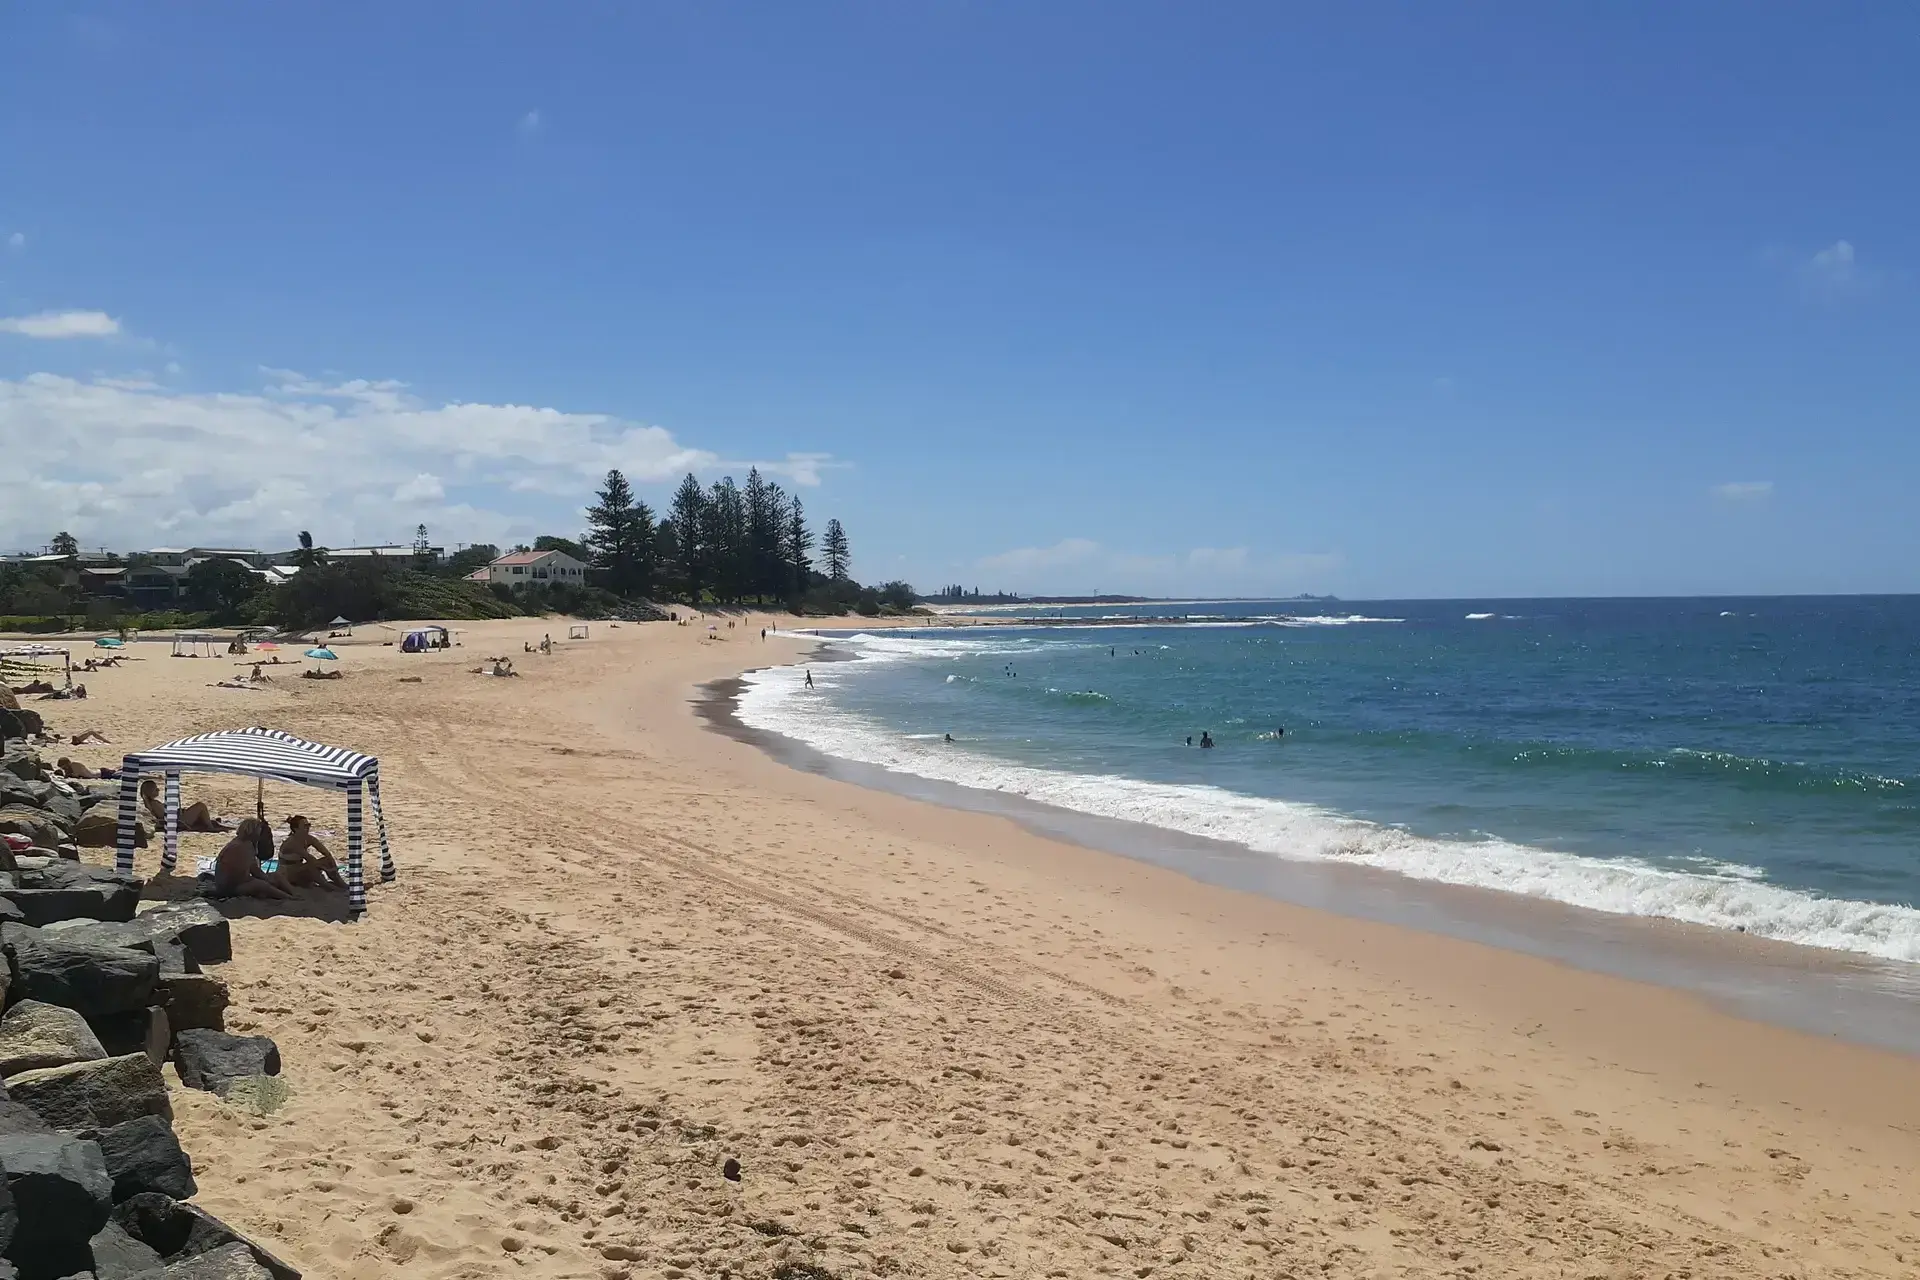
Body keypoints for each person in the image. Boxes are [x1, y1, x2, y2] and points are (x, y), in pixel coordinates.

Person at [213, 818, 293, 900]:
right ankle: (288, 897)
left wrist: (266, 878)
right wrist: (266, 880)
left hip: (232, 883)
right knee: (261, 885)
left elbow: (253, 868)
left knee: (275, 876)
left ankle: (293, 894)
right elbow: (249, 872)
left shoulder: (243, 843)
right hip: (230, 887)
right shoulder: (241, 847)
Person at [279, 814, 348, 891]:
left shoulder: (308, 839)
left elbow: (326, 853)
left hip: (299, 868)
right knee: (311, 867)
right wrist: (325, 868)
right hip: (288, 874)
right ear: (296, 829)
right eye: (305, 826)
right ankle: (330, 887)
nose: (308, 827)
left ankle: (340, 883)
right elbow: (310, 859)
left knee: (327, 860)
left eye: (308, 825)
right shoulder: (292, 842)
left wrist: (332, 867)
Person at [140, 777, 228, 831]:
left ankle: (209, 822)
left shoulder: (152, 803)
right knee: (201, 806)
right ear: (149, 792)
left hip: (178, 817)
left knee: (200, 810)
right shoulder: (153, 804)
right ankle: (210, 827)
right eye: (156, 789)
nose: (158, 790)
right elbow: (164, 816)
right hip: (180, 820)